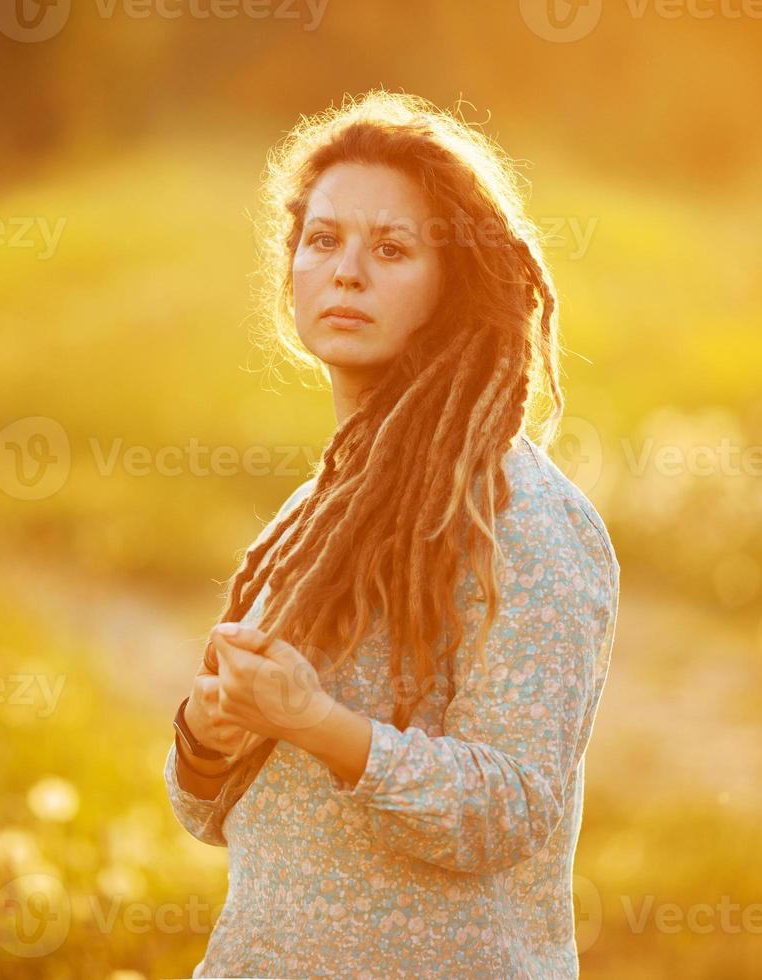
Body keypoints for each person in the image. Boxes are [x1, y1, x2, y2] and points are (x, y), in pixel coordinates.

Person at [162, 88, 620, 978]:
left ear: (455, 285)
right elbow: (209, 813)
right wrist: (207, 735)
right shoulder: (315, 516)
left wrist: (318, 723)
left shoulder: (523, 517)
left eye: (392, 249)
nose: (346, 271)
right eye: (323, 239)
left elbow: (512, 808)